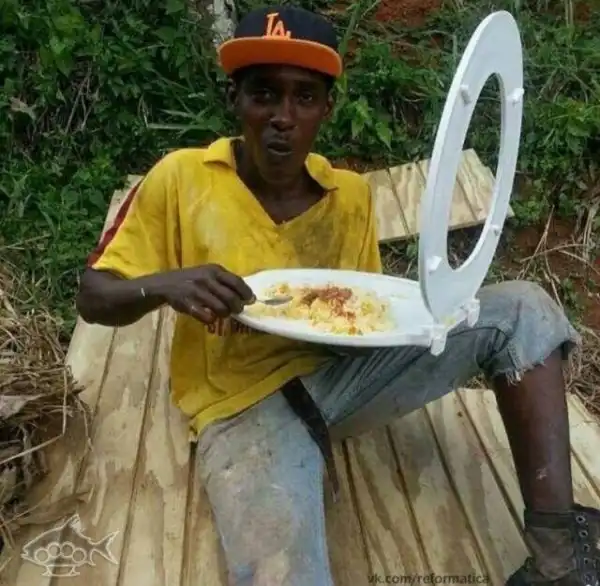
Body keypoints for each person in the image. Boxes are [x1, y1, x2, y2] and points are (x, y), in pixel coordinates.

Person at [75, 5, 599, 586]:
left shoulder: (347, 195)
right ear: (235, 100)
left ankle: (558, 557)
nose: (282, 117)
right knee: (285, 574)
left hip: (342, 378)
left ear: (327, 108)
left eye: (304, 97)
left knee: (523, 308)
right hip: (240, 407)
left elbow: (362, 316)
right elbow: (93, 296)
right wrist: (164, 285)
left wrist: (410, 327)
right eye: (263, 93)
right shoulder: (181, 177)